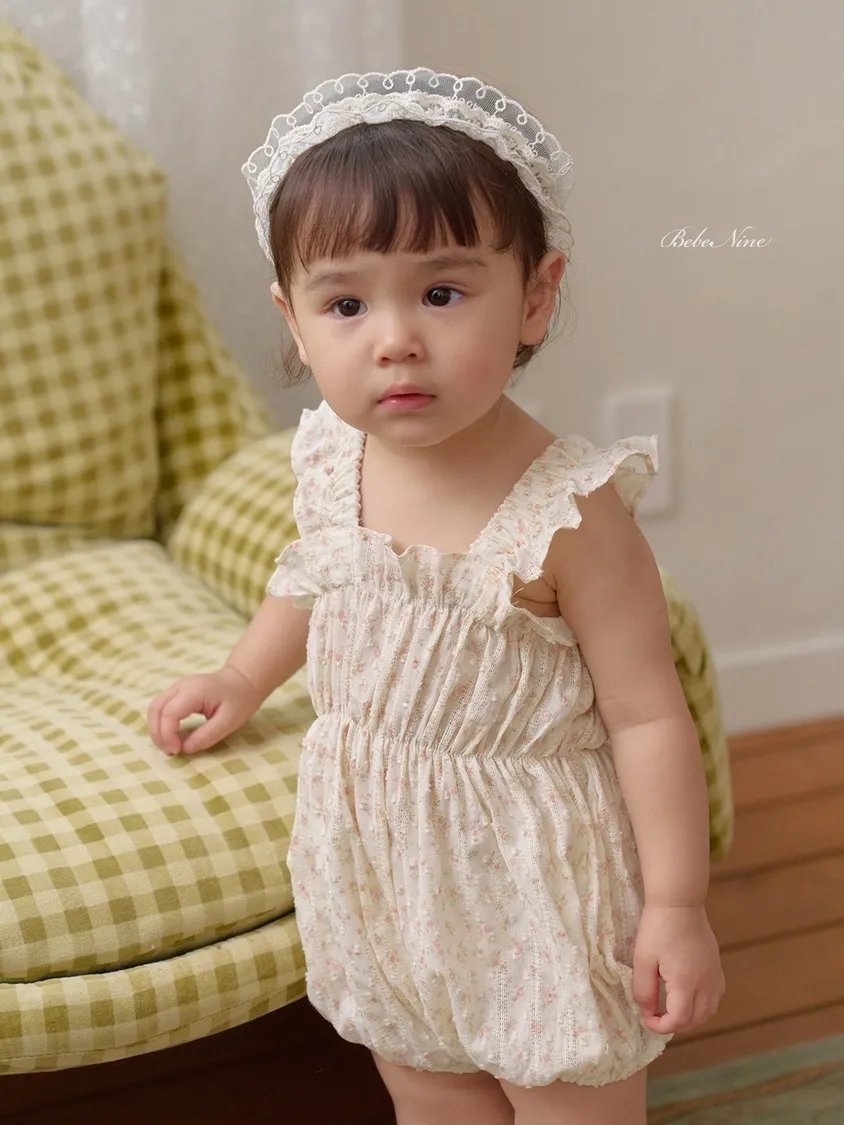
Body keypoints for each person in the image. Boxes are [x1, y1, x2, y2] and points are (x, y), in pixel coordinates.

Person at [147, 69, 724, 1125]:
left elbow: (648, 716)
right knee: (430, 1092)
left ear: (535, 296)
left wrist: (676, 905)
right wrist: (241, 675)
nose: (395, 339)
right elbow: (318, 577)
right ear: (293, 318)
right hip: (382, 868)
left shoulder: (569, 515)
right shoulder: (333, 458)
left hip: (536, 884)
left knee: (567, 1100)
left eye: (442, 294)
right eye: (346, 304)